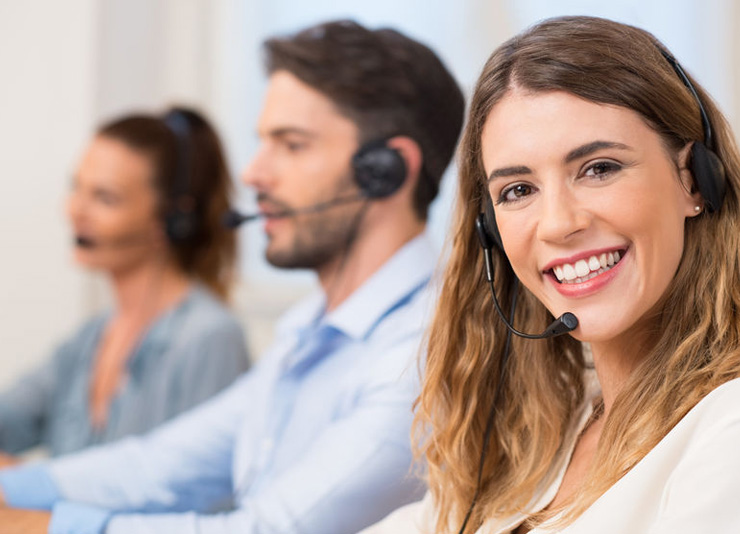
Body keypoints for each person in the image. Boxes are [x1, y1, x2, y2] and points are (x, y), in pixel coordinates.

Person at [0, 19, 465, 534]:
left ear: (387, 169)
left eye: (291, 144)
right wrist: (14, 492)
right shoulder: (308, 330)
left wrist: (35, 526)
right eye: (263, 142)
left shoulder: (426, 353)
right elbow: (158, 467)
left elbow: (270, 530)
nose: (253, 174)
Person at [361, 15, 740, 534]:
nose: (560, 224)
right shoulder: (545, 438)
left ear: (694, 181)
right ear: (490, 232)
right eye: (518, 190)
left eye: (599, 168)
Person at [0, 107, 250, 461]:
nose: (76, 211)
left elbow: (204, 493)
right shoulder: (93, 335)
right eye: (77, 188)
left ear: (171, 218)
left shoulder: (210, 339)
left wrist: (24, 483)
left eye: (105, 198)